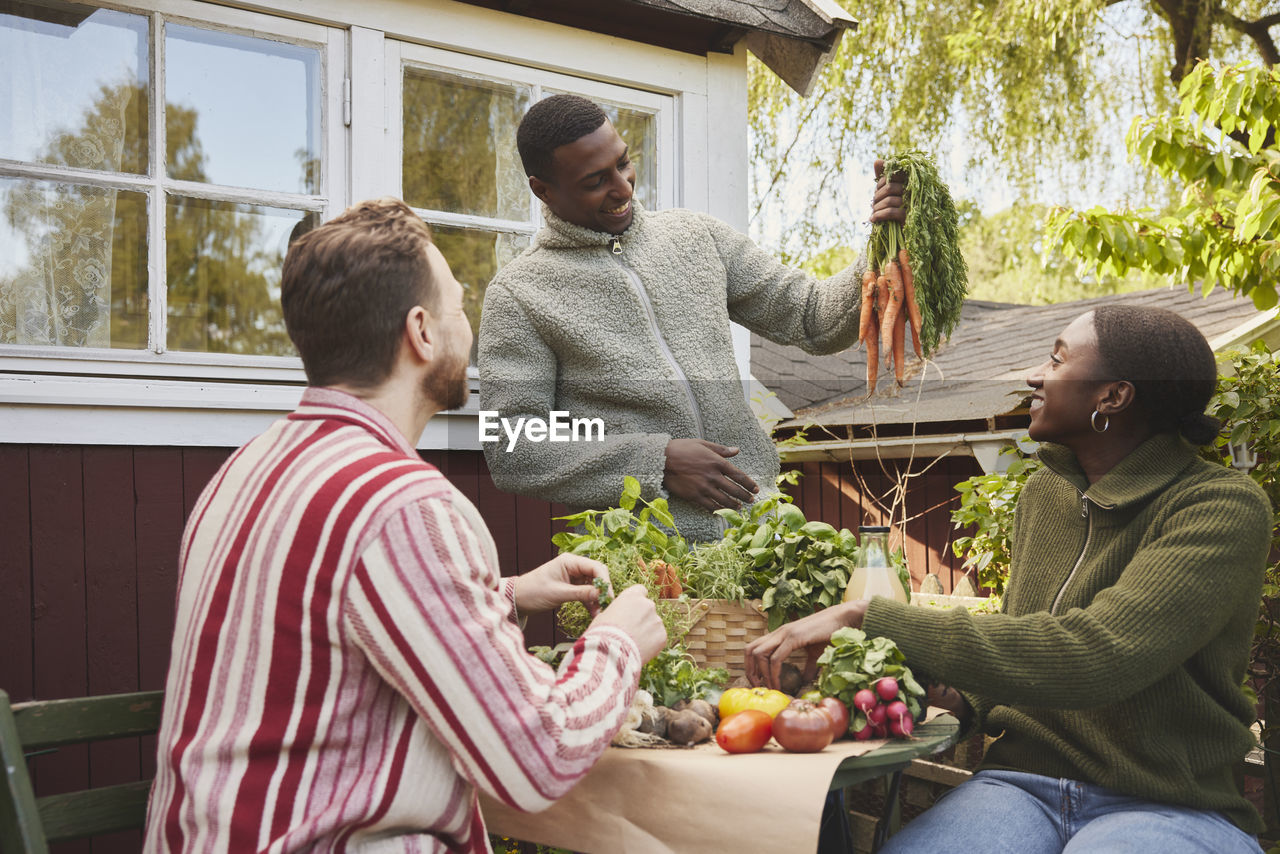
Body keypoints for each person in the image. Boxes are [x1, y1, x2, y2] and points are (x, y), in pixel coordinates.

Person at [142, 198, 667, 854]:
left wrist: (505, 594)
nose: (467, 326)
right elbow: (535, 759)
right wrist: (617, 644)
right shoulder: (399, 505)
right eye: (457, 304)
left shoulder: (249, 467)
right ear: (421, 332)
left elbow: (325, 616)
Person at [745, 305, 1273, 853]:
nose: (1033, 375)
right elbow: (1021, 635)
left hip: (1168, 803)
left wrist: (868, 616)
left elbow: (1099, 655)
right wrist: (941, 693)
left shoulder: (1218, 506)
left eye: (1057, 360)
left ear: (1112, 397)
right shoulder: (1045, 496)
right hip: (1022, 787)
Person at [478, 93, 905, 542]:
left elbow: (813, 318)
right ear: (542, 189)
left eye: (623, 163)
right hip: (642, 561)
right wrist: (658, 461)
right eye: (595, 181)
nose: (623, 187)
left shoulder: (696, 237)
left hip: (758, 540)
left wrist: (883, 240)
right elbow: (514, 446)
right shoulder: (520, 294)